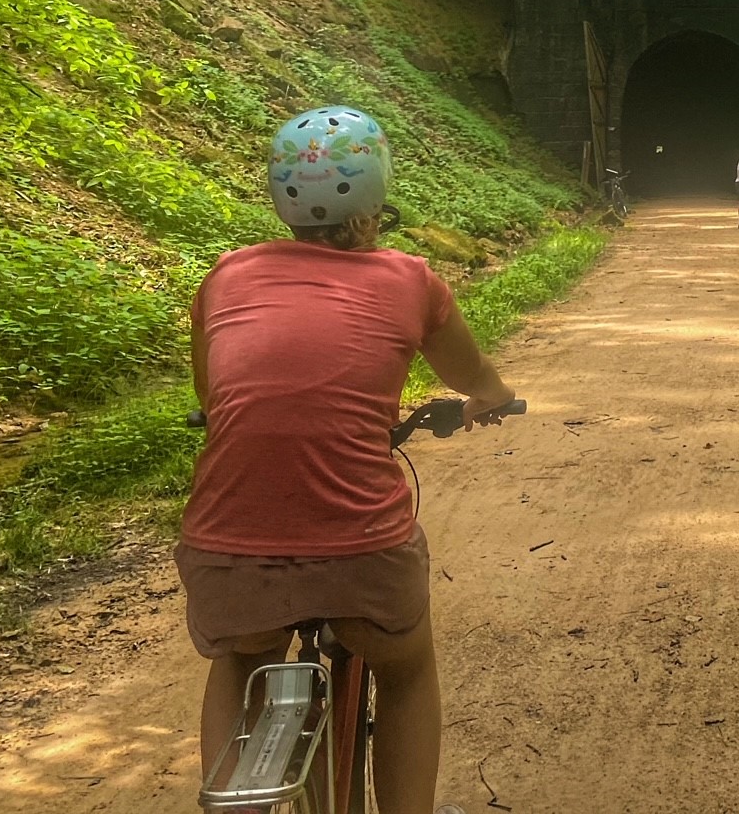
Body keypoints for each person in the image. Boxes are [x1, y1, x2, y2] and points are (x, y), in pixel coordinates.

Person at [177, 105, 514, 814]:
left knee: (238, 658)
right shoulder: (410, 280)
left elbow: (210, 395)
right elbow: (471, 376)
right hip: (363, 555)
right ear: (376, 197)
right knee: (407, 670)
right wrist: (491, 396)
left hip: (227, 550)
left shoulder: (227, 277)